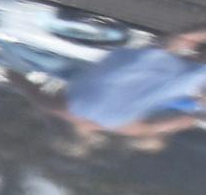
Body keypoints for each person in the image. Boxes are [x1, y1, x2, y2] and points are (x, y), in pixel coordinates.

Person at [52, 28, 206, 149]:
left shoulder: (120, 127)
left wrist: (197, 115)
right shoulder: (72, 110)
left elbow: (183, 120)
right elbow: (40, 100)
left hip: (169, 82)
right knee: (181, 41)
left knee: (188, 49)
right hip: (144, 73)